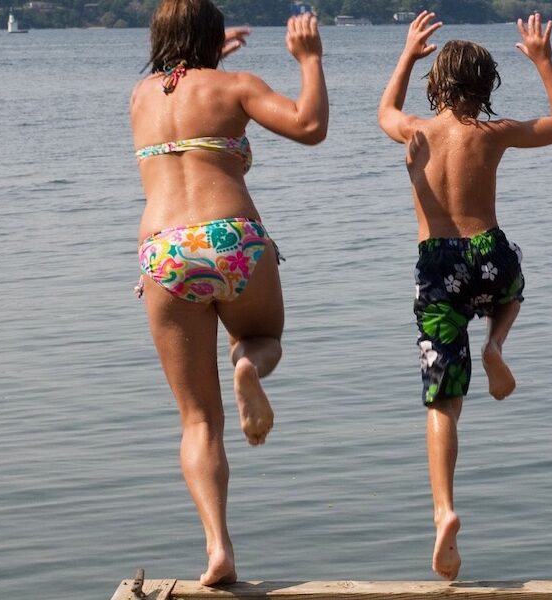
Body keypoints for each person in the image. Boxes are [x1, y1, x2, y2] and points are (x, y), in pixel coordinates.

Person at [129, 0, 327, 585]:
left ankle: (218, 548)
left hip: (163, 252)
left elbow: (184, 94)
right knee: (262, 338)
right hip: (232, 238)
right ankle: (248, 367)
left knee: (198, 421)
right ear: (215, 39)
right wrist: (309, 60)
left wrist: (204, 56)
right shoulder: (236, 86)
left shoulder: (140, 100)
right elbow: (309, 127)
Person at [377, 11, 552, 580]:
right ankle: (497, 342)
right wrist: (542, 59)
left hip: (437, 264)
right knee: (512, 287)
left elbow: (383, 112)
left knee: (443, 402)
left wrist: (406, 55)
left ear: (435, 86)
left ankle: (443, 510)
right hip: (487, 253)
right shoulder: (494, 134)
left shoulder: (415, 130)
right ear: (488, 87)